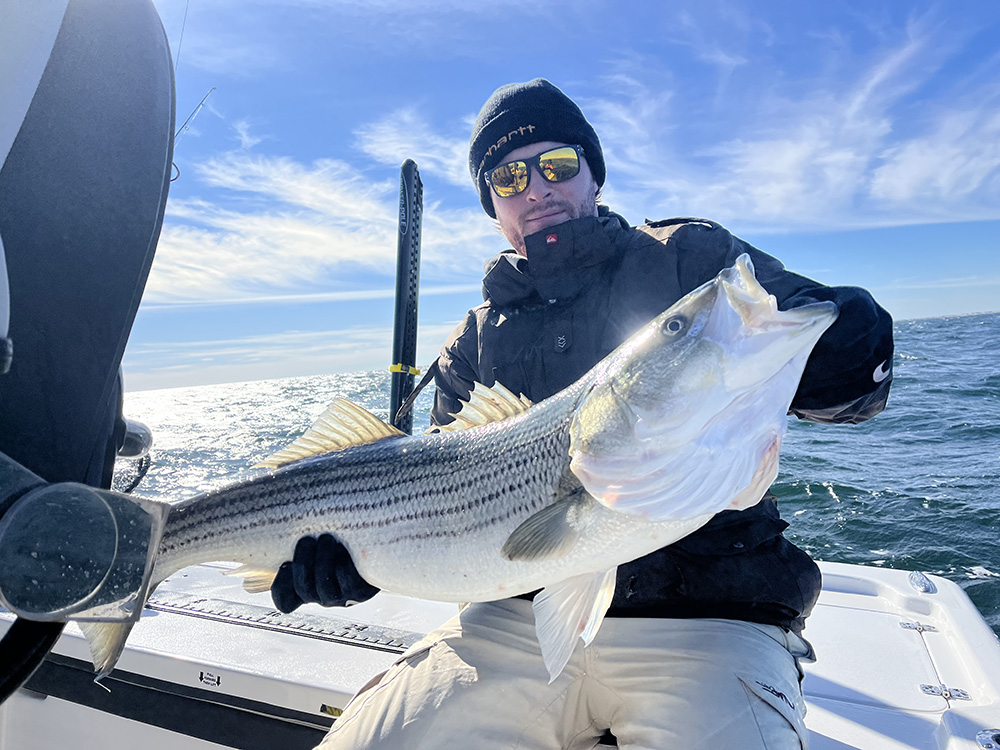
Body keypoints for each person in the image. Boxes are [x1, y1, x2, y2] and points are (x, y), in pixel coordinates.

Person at [271, 78, 893, 749]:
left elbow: (831, 375)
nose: (536, 188)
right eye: (508, 177)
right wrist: (363, 563)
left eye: (557, 165)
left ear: (593, 173)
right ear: (494, 206)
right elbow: (438, 514)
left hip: (712, 618)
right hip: (513, 621)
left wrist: (848, 351)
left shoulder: (689, 259)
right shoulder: (475, 340)